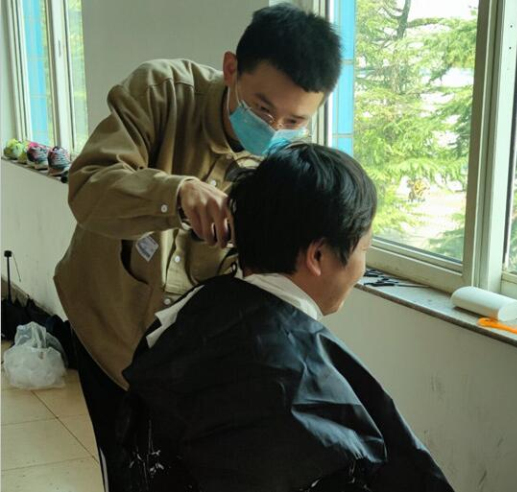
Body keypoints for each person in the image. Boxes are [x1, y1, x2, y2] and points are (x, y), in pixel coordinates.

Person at [53, 4, 341, 491]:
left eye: (294, 120)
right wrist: (175, 193)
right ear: (231, 69)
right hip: (107, 321)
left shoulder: (286, 162)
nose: (274, 129)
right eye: (262, 109)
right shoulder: (161, 92)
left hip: (184, 351)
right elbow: (88, 188)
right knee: (123, 464)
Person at [119, 143, 454, 492]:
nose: (361, 269)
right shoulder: (296, 391)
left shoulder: (187, 313)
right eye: (364, 248)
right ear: (318, 255)